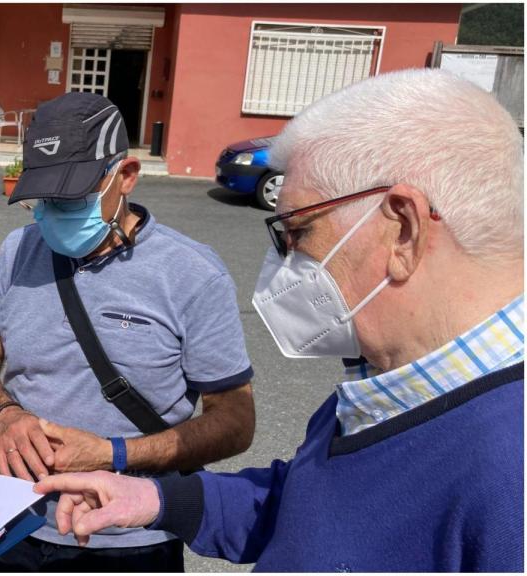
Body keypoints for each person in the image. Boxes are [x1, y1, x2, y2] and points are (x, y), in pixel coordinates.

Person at [35, 68, 524, 572]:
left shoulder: (510, 476)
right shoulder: (383, 386)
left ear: (403, 230)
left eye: (297, 232)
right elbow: (307, 509)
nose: (283, 264)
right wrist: (156, 499)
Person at [0, 92, 256, 572]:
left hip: (131, 541)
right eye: (44, 199)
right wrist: (3, 414)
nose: (53, 212)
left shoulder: (193, 274)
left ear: (126, 176)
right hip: (15, 526)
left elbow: (235, 421)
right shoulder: (19, 250)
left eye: (71, 197)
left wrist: (113, 454)